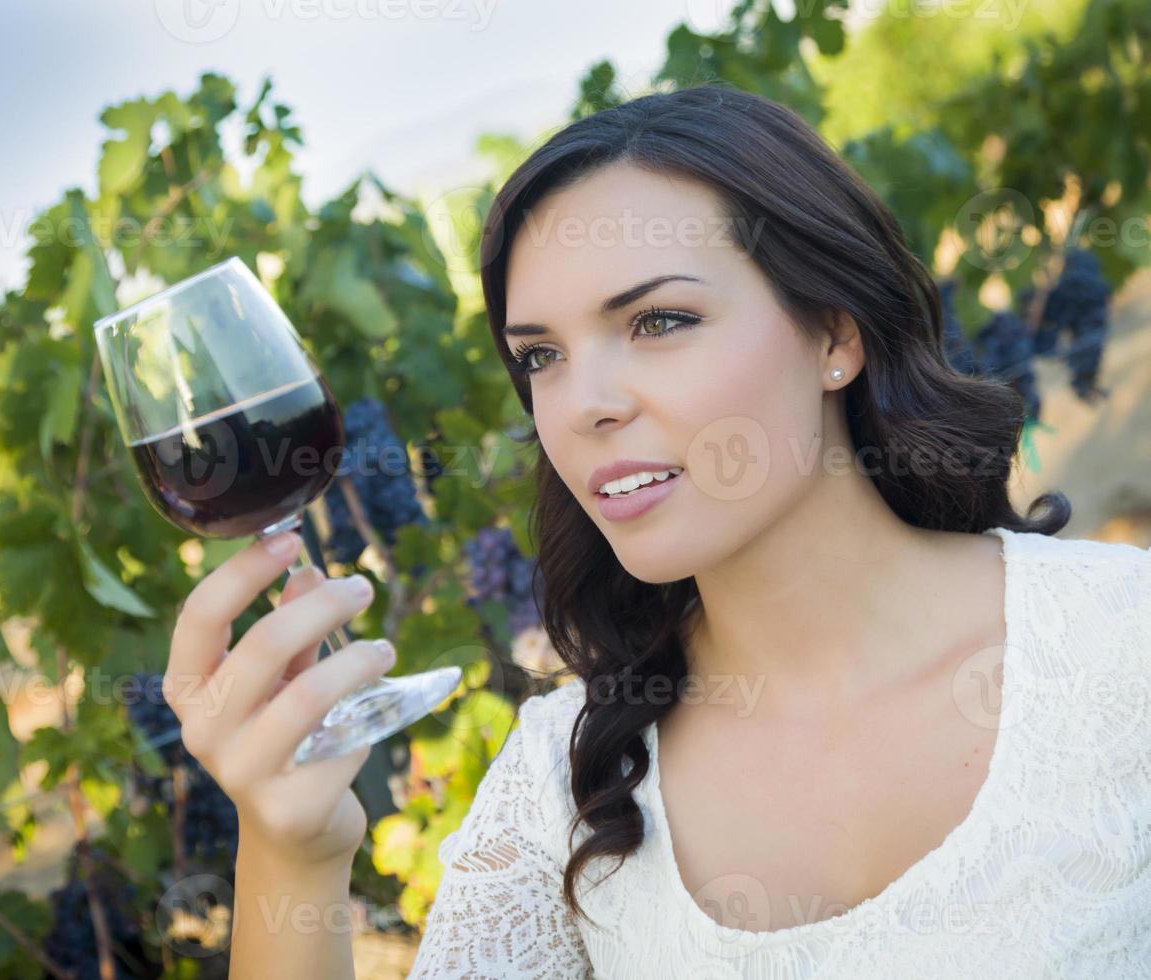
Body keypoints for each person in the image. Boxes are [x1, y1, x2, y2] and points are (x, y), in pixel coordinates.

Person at [162, 84, 1151, 979]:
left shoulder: (1124, 644)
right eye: (540, 354)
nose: (581, 404)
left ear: (835, 335)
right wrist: (293, 850)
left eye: (658, 321)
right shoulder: (563, 790)